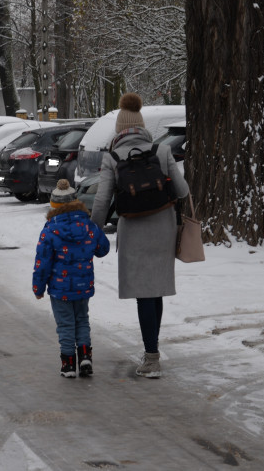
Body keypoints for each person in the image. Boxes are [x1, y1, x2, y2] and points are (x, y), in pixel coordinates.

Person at [89, 93, 188, 379]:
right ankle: (152, 351)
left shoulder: (113, 157)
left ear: (119, 128)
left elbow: (102, 201)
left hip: (133, 232)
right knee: (155, 290)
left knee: (143, 293)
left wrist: (93, 231)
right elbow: (183, 190)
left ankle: (152, 357)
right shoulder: (161, 151)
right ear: (142, 126)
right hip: (163, 230)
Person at [33, 179, 110, 378]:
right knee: (82, 319)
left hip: (60, 289)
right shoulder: (89, 226)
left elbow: (43, 262)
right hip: (83, 285)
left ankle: (68, 364)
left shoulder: (50, 230)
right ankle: (85, 356)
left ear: (54, 206)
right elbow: (103, 249)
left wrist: (38, 288)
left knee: (66, 324)